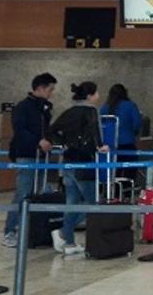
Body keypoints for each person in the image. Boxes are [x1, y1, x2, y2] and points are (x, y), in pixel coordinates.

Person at [48, 82, 109, 256]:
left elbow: (53, 130)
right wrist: (100, 146)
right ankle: (64, 232)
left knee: (72, 201)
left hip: (68, 161)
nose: (98, 96)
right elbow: (94, 130)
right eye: (96, 93)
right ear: (90, 95)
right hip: (84, 162)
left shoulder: (69, 111)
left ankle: (69, 242)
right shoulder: (90, 111)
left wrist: (64, 144)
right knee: (91, 203)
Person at [2, 72, 57, 248]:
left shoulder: (45, 108)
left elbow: (46, 129)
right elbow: (20, 130)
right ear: (39, 88)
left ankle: (35, 230)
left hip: (42, 156)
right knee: (23, 192)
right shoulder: (23, 107)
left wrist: (49, 141)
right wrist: (37, 141)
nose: (51, 93)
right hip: (26, 154)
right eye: (50, 89)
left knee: (41, 192)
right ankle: (10, 230)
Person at [101, 84, 142, 182]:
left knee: (113, 171)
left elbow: (100, 126)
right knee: (130, 169)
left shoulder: (104, 108)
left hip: (109, 145)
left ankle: (113, 192)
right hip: (127, 143)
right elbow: (137, 123)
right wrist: (133, 133)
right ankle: (127, 193)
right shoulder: (130, 105)